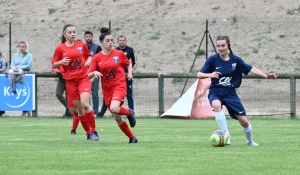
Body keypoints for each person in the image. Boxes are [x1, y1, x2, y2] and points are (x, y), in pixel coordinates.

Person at [197, 35, 277, 146]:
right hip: (216, 90)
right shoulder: (212, 59)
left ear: (228, 45)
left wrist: (266, 76)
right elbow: (199, 74)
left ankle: (249, 141)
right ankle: (226, 135)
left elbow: (251, 68)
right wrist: (211, 74)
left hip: (230, 93)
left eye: (223, 45)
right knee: (216, 105)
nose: (220, 48)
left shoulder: (236, 60)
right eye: (218, 46)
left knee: (244, 121)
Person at [88, 27, 137, 144]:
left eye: (111, 40)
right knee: (116, 116)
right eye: (107, 41)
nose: (111, 42)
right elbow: (88, 75)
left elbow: (128, 62)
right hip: (107, 89)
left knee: (114, 109)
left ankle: (130, 112)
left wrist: (129, 73)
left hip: (119, 85)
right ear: (101, 43)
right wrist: (93, 73)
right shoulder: (97, 58)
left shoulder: (118, 54)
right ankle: (132, 137)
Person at [51, 24, 98, 141]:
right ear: (64, 35)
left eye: (74, 32)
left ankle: (94, 131)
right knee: (79, 109)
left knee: (85, 104)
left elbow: (89, 56)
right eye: (70, 32)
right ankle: (88, 133)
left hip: (83, 78)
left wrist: (88, 61)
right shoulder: (60, 48)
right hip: (70, 81)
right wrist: (61, 61)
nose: (73, 34)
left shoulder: (81, 45)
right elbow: (54, 64)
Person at [98, 36, 137, 117]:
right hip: (108, 83)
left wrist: (129, 73)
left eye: (123, 40)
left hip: (122, 79)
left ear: (126, 41)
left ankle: (132, 111)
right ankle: (106, 112)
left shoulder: (128, 51)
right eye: (120, 40)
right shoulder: (101, 56)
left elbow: (131, 62)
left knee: (129, 95)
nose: (122, 42)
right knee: (114, 110)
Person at [10, 41, 33, 117]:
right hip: (16, 75)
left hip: (26, 76)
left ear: (26, 47)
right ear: (18, 47)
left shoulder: (29, 55)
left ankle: (26, 110)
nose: (22, 48)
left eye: (23, 46)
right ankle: (25, 110)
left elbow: (28, 66)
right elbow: (12, 64)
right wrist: (13, 67)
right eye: (20, 46)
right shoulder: (16, 55)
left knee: (26, 93)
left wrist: (18, 67)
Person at [84, 31, 102, 117]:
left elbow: (101, 59)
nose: (88, 38)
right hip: (84, 74)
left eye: (89, 36)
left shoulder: (97, 47)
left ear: (92, 37)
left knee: (95, 93)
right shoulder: (81, 47)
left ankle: (95, 112)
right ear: (84, 37)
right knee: (86, 93)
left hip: (94, 73)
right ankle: (88, 111)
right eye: (86, 36)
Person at [0, 52, 7, 116]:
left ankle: (1, 112)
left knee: (1, 95)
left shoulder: (3, 61)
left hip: (1, 80)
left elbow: (4, 69)